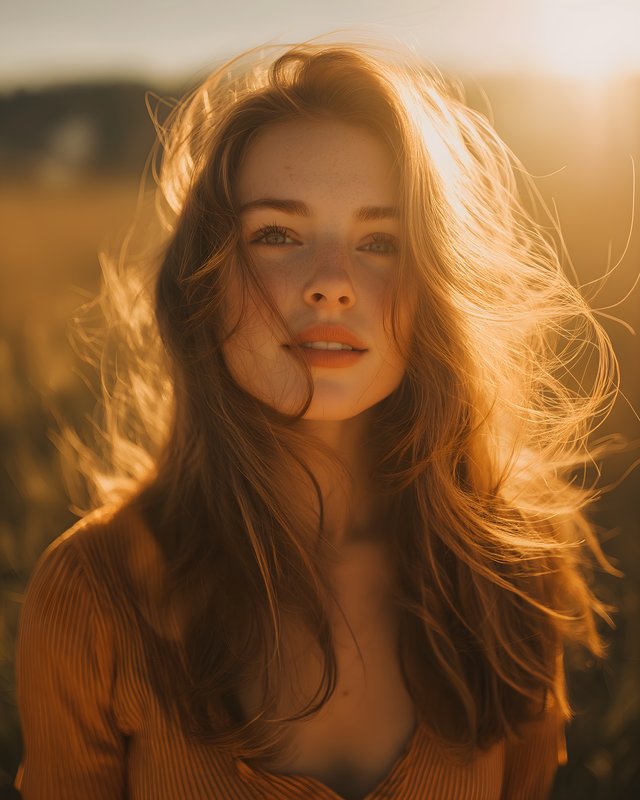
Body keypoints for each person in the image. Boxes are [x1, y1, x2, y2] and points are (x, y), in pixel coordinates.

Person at [14, 39, 616, 800]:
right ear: (205, 280)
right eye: (277, 235)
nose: (332, 283)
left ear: (431, 287)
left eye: (379, 242)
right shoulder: (92, 595)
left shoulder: (509, 569)